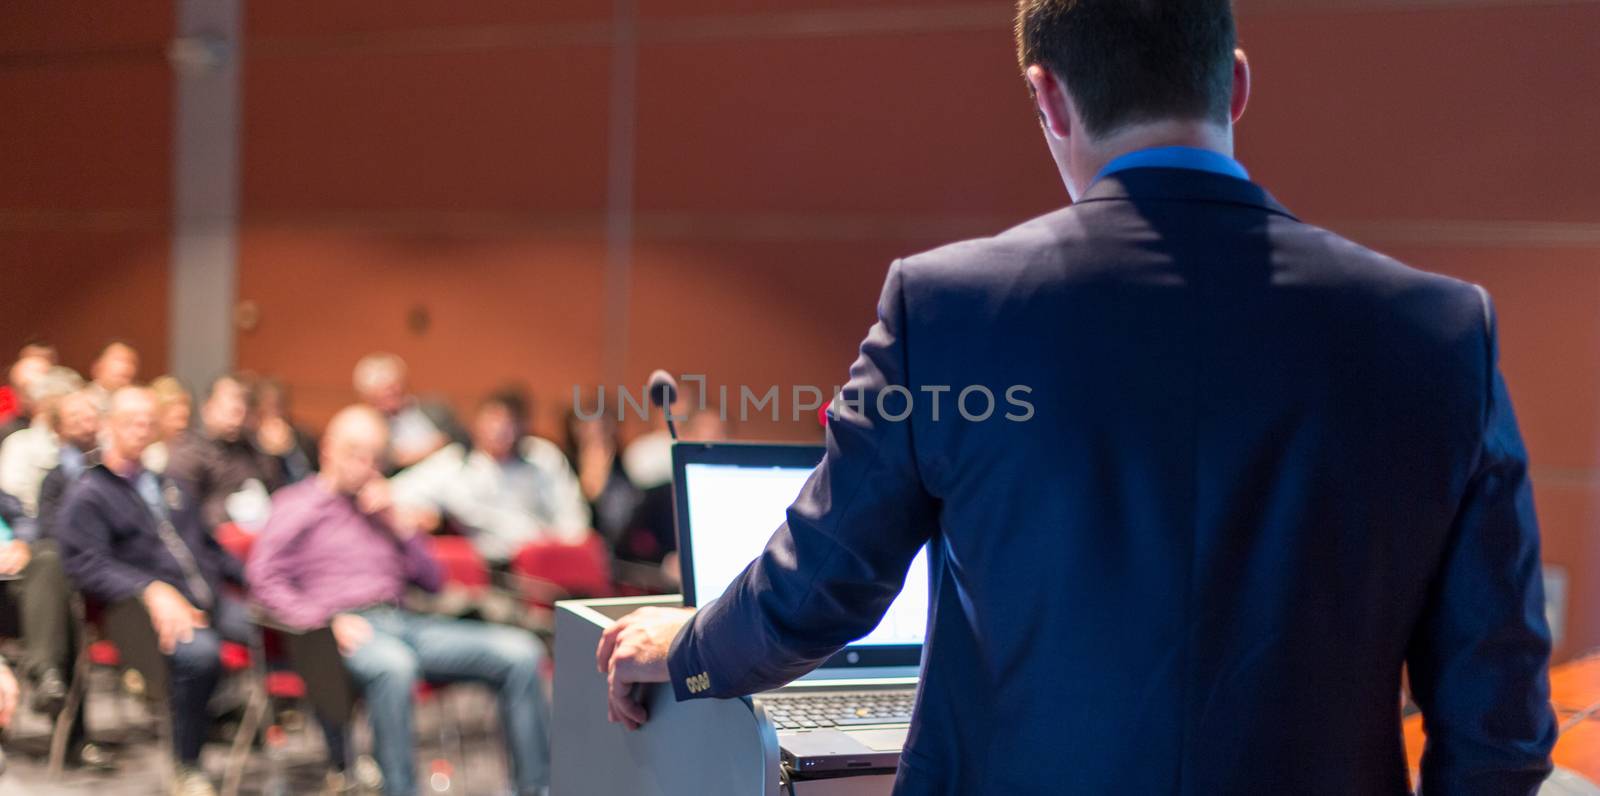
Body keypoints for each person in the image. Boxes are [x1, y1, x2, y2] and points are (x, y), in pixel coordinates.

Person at [597, 2, 1558, 794]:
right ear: (1234, 82)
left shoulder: (947, 308)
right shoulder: (1440, 333)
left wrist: (687, 646)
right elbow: (1498, 723)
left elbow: (822, 585)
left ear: (1046, 95)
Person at [247, 405, 551, 796]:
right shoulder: (297, 504)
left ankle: (536, 789)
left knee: (521, 654)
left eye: (376, 457)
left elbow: (433, 581)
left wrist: (397, 524)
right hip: (342, 630)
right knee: (395, 667)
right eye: (357, 454)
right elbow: (263, 579)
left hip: (405, 621)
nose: (367, 466)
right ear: (328, 450)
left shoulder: (382, 507)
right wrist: (322, 621)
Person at [57, 386, 249, 796]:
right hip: (137, 613)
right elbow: (84, 564)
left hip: (208, 597)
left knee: (290, 628)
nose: (141, 429)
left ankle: (338, 761)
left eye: (148, 421)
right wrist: (149, 589)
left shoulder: (167, 484)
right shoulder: (90, 493)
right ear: (108, 427)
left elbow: (209, 546)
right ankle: (187, 764)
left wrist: (259, 579)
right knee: (200, 654)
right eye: (131, 421)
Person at [392, 391, 590, 567]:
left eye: (508, 422)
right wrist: (423, 512)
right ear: (477, 423)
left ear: (523, 426)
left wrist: (557, 546)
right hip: (496, 569)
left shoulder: (542, 455)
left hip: (549, 558)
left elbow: (573, 516)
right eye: (492, 420)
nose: (499, 430)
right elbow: (399, 491)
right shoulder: (455, 463)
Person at [166, 374, 286, 531]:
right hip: (211, 539)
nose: (236, 419)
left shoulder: (253, 452)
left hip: (257, 536)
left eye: (241, 411)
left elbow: (276, 495)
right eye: (230, 410)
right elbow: (183, 518)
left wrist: (277, 454)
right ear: (207, 409)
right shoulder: (189, 454)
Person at [0, 366, 84, 518]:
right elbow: (14, 496)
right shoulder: (19, 443)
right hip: (35, 523)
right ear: (43, 405)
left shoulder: (86, 445)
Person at [351, 353, 457, 473]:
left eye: (391, 388)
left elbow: (461, 439)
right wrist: (431, 449)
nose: (387, 395)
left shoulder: (435, 408)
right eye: (379, 393)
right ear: (367, 397)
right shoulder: (369, 427)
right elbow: (387, 462)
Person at [253, 376, 318, 483]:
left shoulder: (304, 438)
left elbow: (309, 478)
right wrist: (268, 451)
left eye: (278, 406)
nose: (275, 413)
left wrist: (290, 450)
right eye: (268, 407)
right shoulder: (248, 443)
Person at [142, 375, 193, 474]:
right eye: (177, 418)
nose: (182, 428)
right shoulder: (146, 453)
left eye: (185, 419)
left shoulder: (191, 450)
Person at [0, 352, 52, 444]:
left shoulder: (66, 428)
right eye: (25, 389)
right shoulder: (5, 432)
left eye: (39, 387)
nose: (32, 396)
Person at [84, 341, 140, 415]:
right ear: (98, 366)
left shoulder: (138, 402)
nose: (126, 367)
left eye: (132, 362)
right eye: (119, 360)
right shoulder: (81, 402)